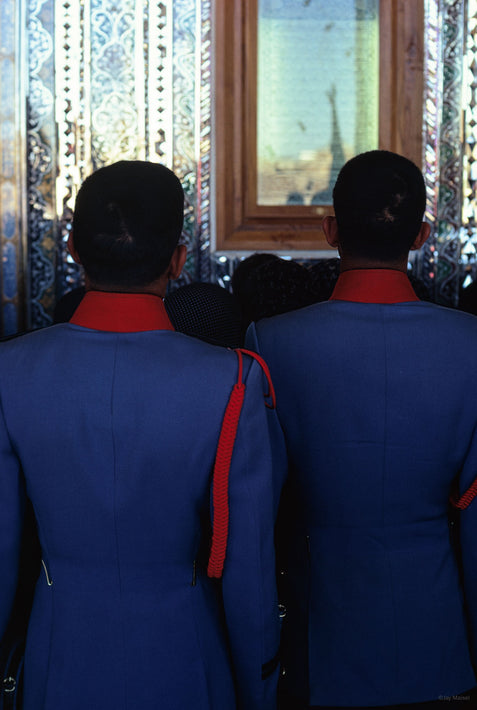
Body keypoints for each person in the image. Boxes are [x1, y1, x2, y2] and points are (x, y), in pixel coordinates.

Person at [0, 160, 282, 710]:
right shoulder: (232, 379)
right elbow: (248, 573)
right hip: (188, 661)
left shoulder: (10, 372)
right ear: (179, 260)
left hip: (58, 661)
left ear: (74, 250)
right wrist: (259, 686)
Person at [246, 150, 477, 709]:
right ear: (421, 235)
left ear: (330, 230)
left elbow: (258, 515)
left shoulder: (270, 342)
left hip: (317, 631)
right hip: (437, 632)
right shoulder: (469, 342)